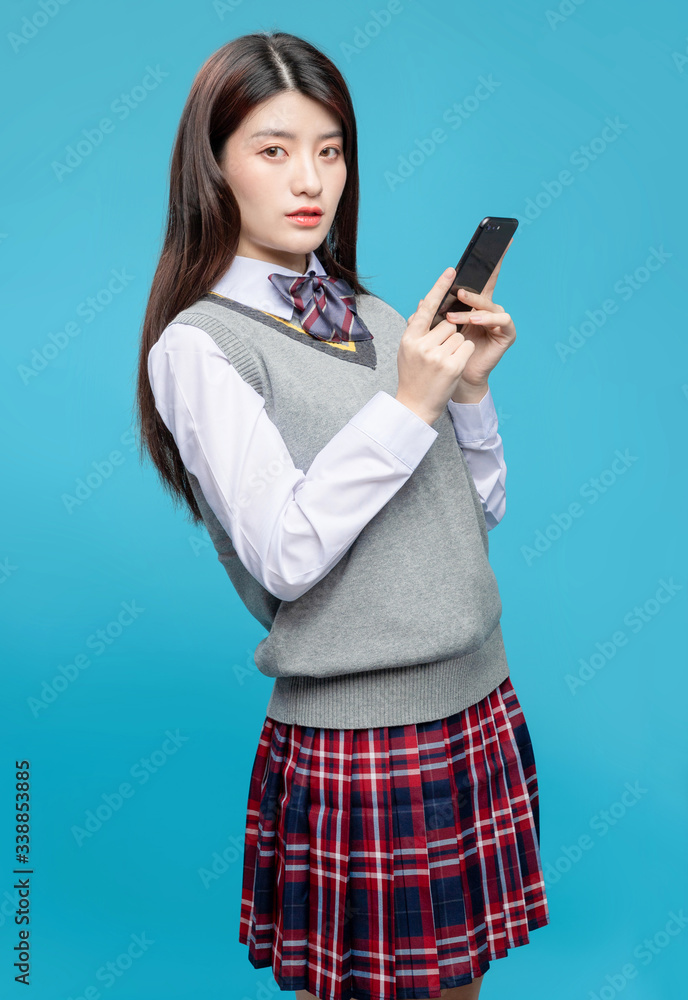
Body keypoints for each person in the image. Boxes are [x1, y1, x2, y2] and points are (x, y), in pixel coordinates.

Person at [135, 30, 550, 1000]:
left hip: (472, 691)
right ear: (215, 166)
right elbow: (285, 552)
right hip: (362, 731)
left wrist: (469, 393)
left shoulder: (371, 315)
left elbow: (470, 518)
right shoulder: (201, 348)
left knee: (458, 988)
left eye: (328, 148)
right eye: (272, 149)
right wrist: (406, 403)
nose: (308, 177)